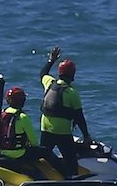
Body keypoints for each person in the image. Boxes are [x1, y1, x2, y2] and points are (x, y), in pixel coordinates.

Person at [38, 46, 93, 179]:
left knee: (42, 157)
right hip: (62, 133)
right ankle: (70, 179)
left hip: (45, 129)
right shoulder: (72, 93)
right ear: (72, 75)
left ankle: (39, 175)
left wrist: (51, 60)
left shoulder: (50, 83)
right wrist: (86, 136)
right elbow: (79, 118)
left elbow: (42, 73)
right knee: (72, 164)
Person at [0, 86, 66, 178]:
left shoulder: (0, 115)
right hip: (19, 155)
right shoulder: (22, 117)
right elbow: (34, 143)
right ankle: (66, 175)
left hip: (2, 153)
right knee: (46, 152)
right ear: (22, 101)